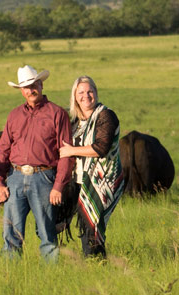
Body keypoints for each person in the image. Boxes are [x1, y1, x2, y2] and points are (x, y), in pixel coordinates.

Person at [0, 65, 72, 261]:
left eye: (34, 84)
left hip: (45, 177)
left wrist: (58, 186)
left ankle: (51, 277)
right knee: (11, 233)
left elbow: (66, 153)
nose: (31, 90)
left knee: (46, 232)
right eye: (26, 87)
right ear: (21, 90)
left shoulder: (57, 114)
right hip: (16, 176)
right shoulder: (14, 115)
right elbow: (3, 150)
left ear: (41, 83)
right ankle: (9, 276)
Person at [59, 75, 124, 257]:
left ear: (96, 93)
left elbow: (101, 148)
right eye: (81, 92)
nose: (85, 96)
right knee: (74, 223)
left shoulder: (106, 115)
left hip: (101, 181)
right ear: (74, 96)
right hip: (79, 179)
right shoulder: (75, 121)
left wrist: (72, 151)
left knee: (92, 226)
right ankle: (89, 262)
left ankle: (97, 264)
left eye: (90, 91)